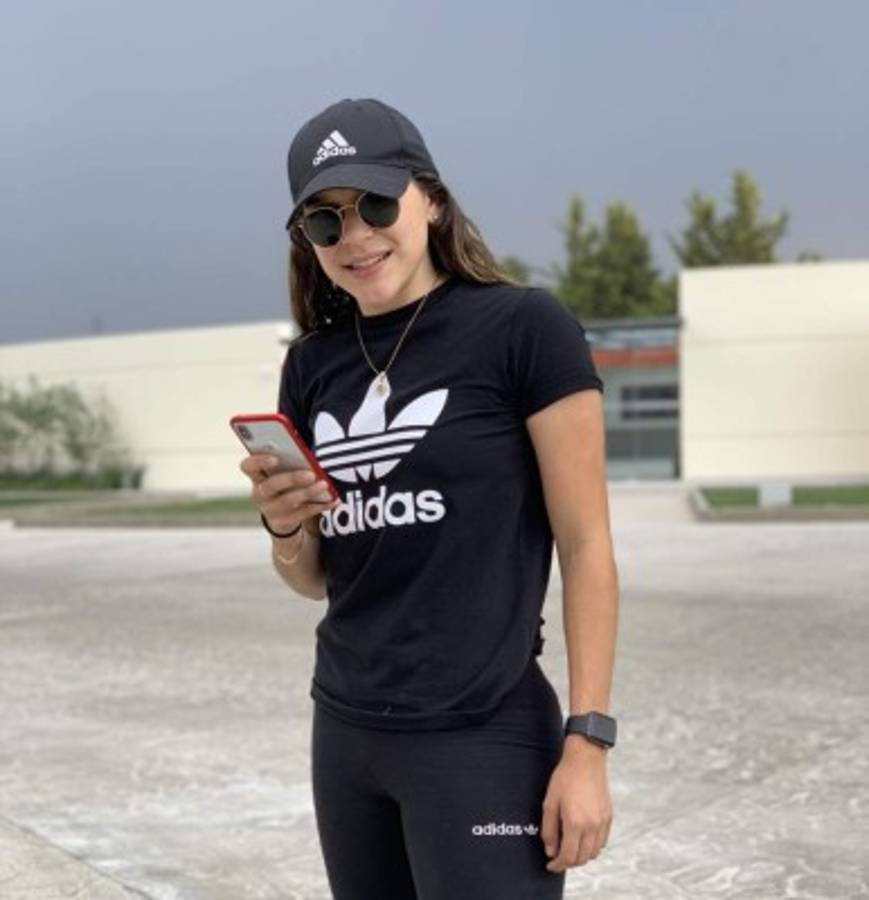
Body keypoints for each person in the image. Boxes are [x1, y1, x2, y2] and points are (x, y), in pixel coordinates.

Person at [240, 97, 619, 900]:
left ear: (432, 200)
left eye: (375, 204)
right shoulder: (311, 365)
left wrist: (587, 743)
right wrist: (284, 527)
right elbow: (316, 579)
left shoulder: (524, 328)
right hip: (346, 736)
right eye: (324, 221)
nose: (354, 237)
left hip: (482, 735)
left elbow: (586, 546)